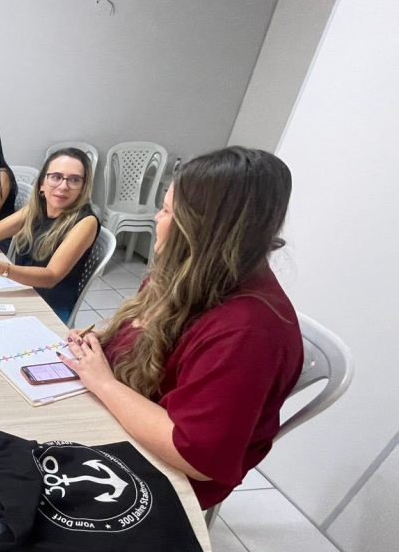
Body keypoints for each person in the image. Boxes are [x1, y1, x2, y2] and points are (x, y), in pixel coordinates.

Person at [64, 147, 304, 509]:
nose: (156, 219)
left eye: (166, 211)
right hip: (133, 413)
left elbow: (195, 456)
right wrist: (108, 340)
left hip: (170, 476)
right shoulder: (190, 272)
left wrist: (104, 383)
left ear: (199, 230)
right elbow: (156, 335)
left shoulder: (249, 332)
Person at [0, 148, 99, 322]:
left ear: (83, 188)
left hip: (49, 308)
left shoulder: (86, 222)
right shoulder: (38, 208)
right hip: (23, 288)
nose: (63, 186)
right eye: (56, 177)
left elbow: (51, 276)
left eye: (74, 180)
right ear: (42, 183)